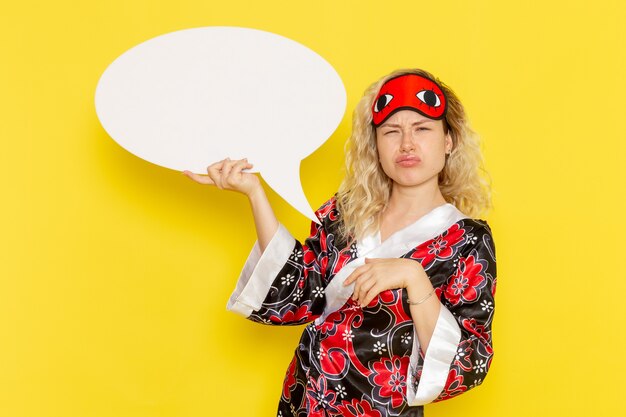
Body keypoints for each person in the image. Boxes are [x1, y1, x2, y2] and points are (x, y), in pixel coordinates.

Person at [183, 68, 497, 417]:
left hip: (382, 410)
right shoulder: (345, 213)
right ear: (375, 145)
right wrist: (254, 193)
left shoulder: (467, 240)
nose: (407, 144)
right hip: (305, 399)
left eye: (422, 129)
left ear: (449, 140)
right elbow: (298, 293)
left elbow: (469, 360)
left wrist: (414, 276)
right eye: (392, 132)